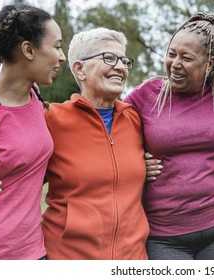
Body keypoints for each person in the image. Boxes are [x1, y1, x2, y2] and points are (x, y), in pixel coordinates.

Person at [124, 12, 214, 260]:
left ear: (210, 62)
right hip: (163, 236)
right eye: (172, 54)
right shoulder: (145, 95)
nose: (175, 63)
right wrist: (136, 163)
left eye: (187, 58)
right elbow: (108, 130)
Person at [40, 27, 149, 259]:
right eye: (109, 58)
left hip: (132, 260)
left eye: (123, 60)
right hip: (69, 259)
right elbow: (16, 168)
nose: (120, 67)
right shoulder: (50, 119)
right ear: (80, 69)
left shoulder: (136, 120)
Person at [0, 3, 66, 259]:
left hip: (33, 251)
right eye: (56, 46)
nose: (62, 56)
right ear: (28, 50)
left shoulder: (35, 97)